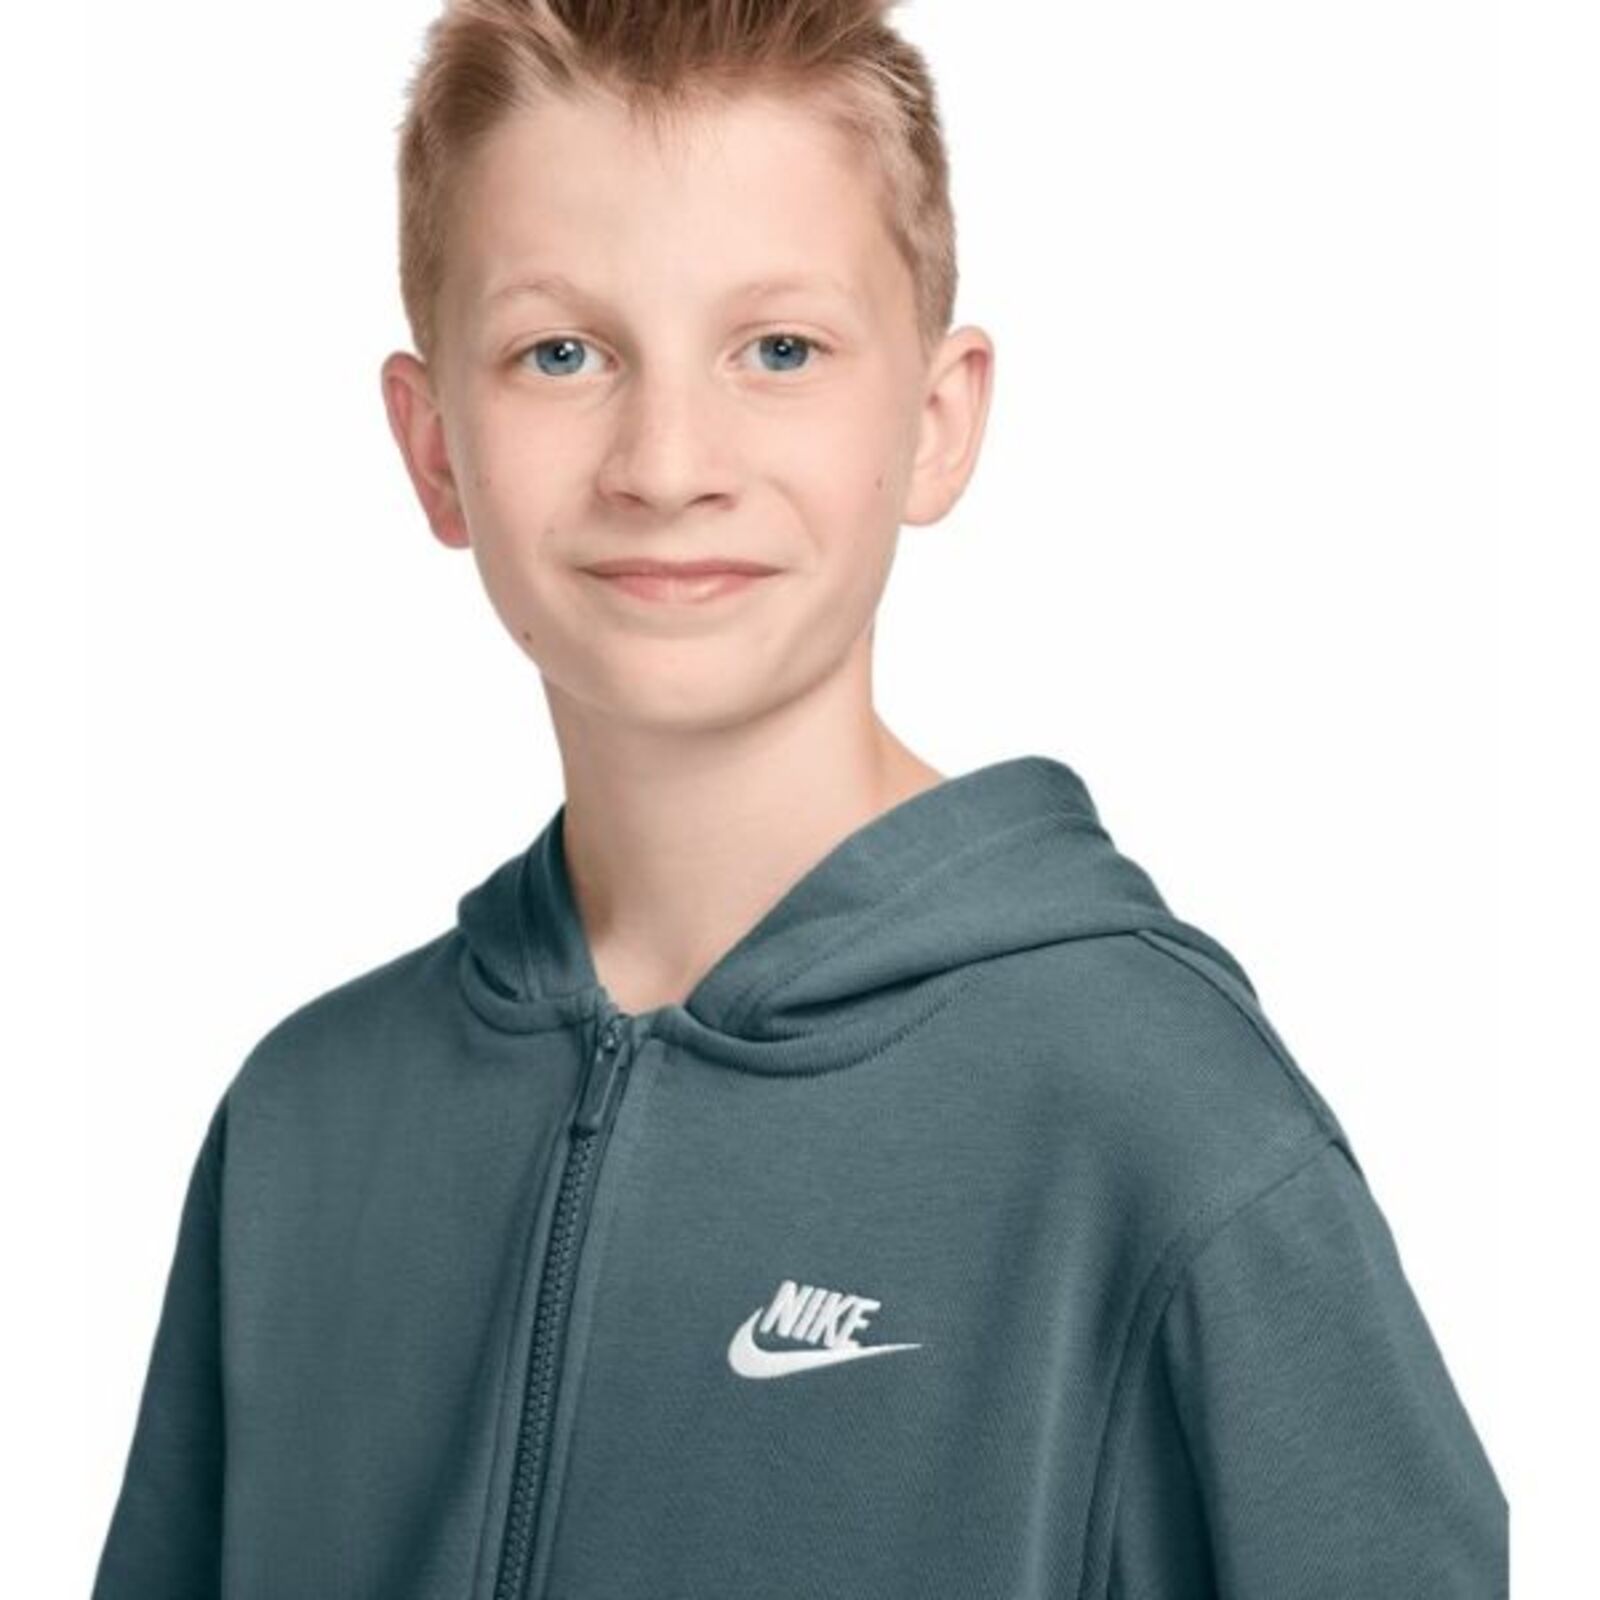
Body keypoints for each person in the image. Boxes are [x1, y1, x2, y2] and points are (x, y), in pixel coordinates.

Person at [91, 2, 1508, 1595]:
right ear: (433, 449)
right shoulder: (304, 1127)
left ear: (936, 421)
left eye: (778, 350)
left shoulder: (1150, 1118)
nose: (667, 461)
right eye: (562, 353)